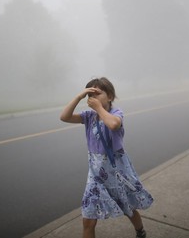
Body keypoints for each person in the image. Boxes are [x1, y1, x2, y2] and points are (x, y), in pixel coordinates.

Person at [60, 77, 154, 238]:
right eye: (90, 95)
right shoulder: (89, 116)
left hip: (117, 172)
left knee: (129, 208)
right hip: (96, 176)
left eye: (97, 93)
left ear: (110, 96)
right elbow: (64, 117)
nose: (93, 98)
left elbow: (113, 124)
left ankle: (140, 231)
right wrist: (78, 97)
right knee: (88, 218)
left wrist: (99, 109)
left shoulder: (116, 113)